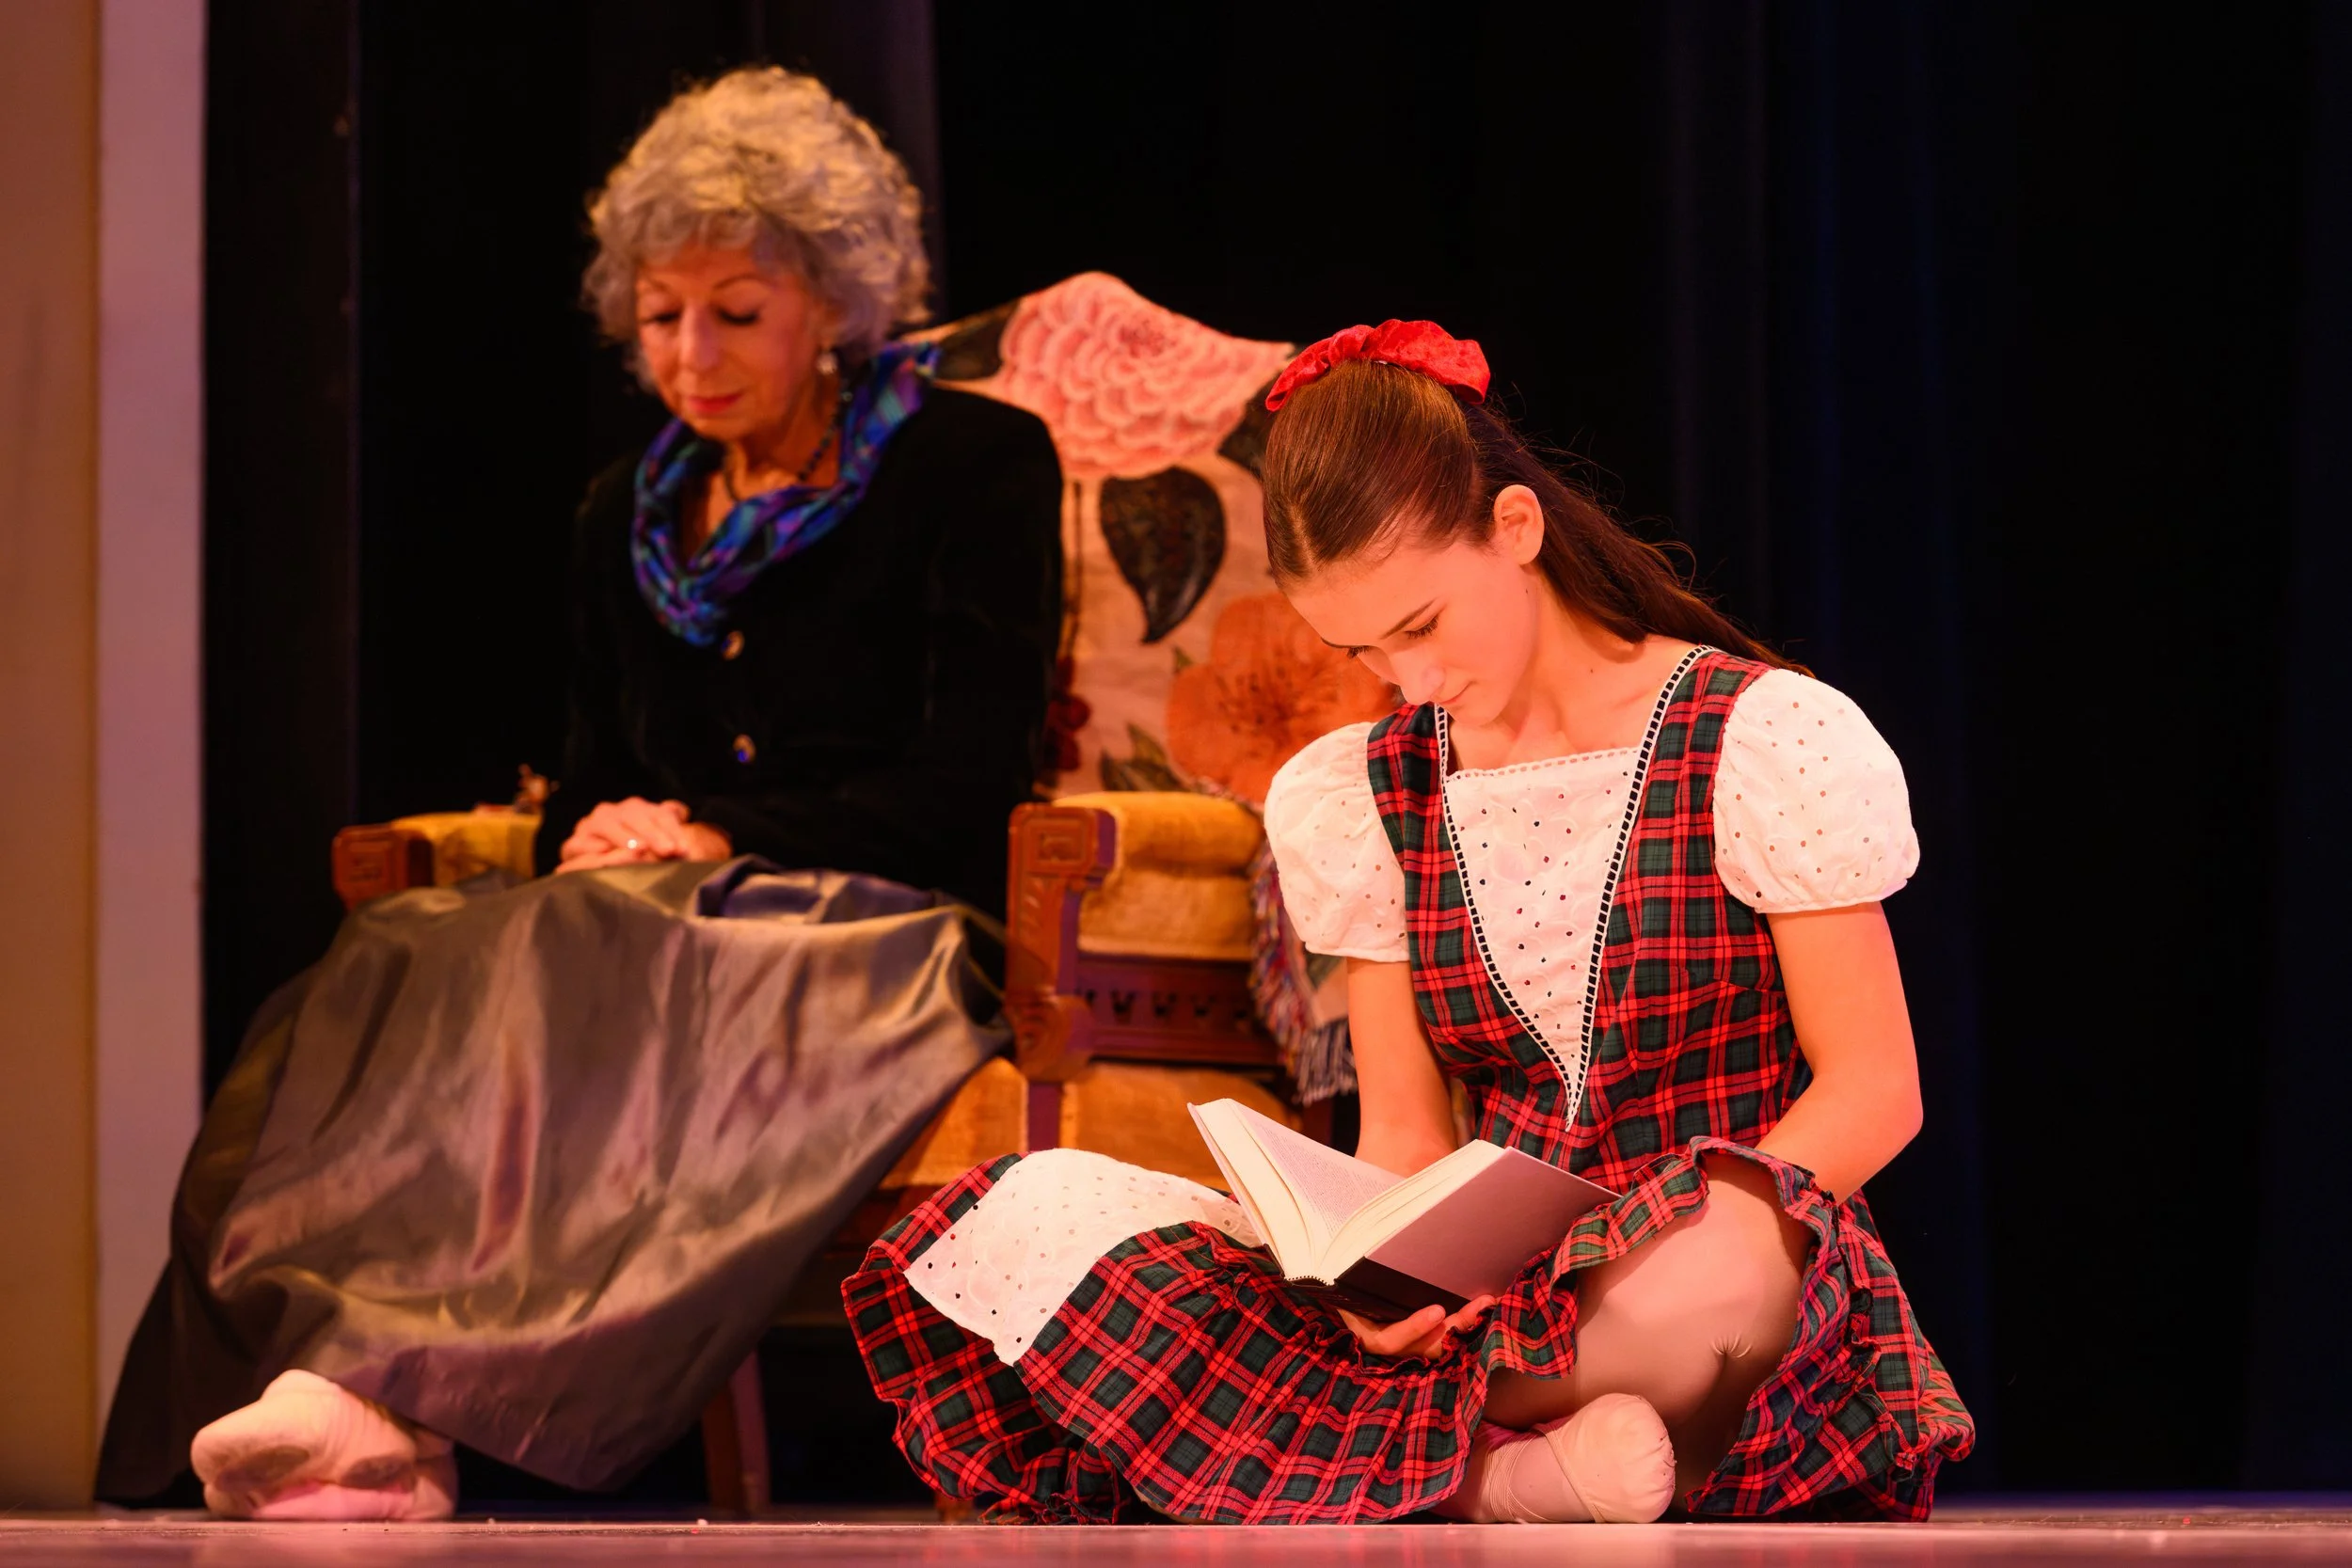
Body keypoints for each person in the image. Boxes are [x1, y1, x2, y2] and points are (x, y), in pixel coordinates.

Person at [95, 68, 1062, 1519]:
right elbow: (589, 779)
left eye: (737, 312)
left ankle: (401, 1404)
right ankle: (330, 1384)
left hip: (881, 930)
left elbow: (963, 781)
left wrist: (720, 831)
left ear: (835, 307)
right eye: (662, 315)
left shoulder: (973, 466)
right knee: (392, 950)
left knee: (598, 935)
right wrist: (611, 828)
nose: (693, 351)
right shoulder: (628, 509)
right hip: (663, 905)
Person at [845, 321, 1973, 1523]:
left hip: (1689, 1266)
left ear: (1517, 530)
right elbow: (1402, 1132)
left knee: (1724, 1267)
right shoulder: (1364, 791)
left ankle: (1387, 1459)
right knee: (1034, 1207)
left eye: (1421, 624)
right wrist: (1382, 1279)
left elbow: (1874, 1090)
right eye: (1362, 649)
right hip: (1490, 1304)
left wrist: (1704, 1219)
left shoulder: (1757, 737)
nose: (1408, 679)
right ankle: (1504, 1475)